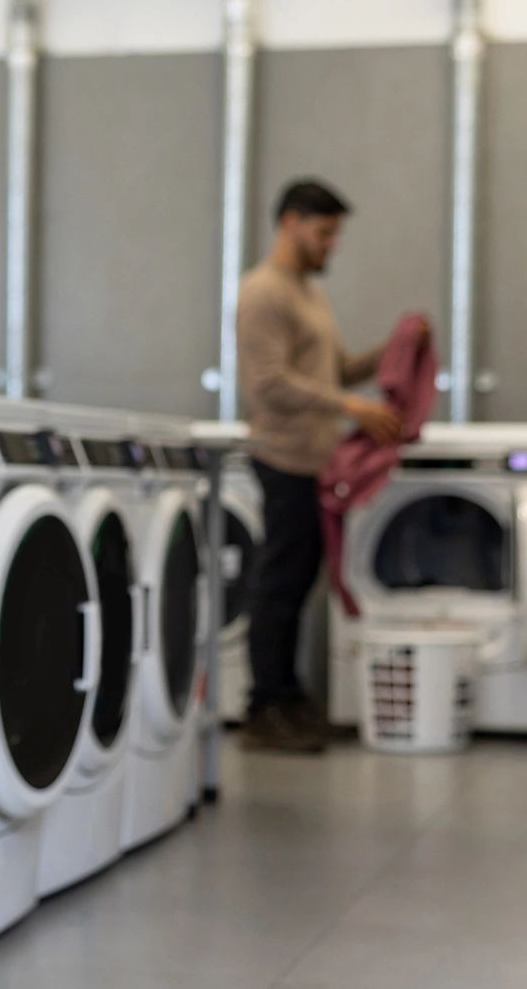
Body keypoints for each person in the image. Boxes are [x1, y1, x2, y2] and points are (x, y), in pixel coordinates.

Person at [235, 178, 405, 754]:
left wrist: (394, 349)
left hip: (315, 464)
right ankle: (264, 709)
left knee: (299, 585)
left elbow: (332, 373)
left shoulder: (309, 293)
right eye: (324, 233)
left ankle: (289, 700)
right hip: (282, 458)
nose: (331, 245)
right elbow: (269, 384)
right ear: (290, 222)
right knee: (279, 585)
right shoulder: (264, 292)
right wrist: (351, 406)